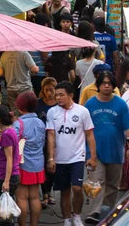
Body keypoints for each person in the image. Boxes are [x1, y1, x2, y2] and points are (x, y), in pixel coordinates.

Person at [83, 72, 129, 225]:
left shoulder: (120, 104)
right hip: (94, 152)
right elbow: (83, 128)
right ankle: (94, 213)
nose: (106, 85)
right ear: (98, 85)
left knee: (112, 185)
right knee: (97, 182)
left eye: (109, 83)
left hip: (116, 151)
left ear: (113, 86)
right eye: (103, 83)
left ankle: (107, 212)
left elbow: (128, 128)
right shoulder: (90, 104)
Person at [46, 81, 96, 226]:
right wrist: (50, 158)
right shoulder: (52, 112)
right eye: (56, 95)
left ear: (71, 95)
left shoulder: (82, 111)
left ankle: (77, 215)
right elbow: (51, 135)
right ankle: (67, 219)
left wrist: (93, 157)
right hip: (60, 158)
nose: (58, 98)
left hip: (77, 157)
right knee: (64, 191)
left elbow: (90, 135)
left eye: (61, 95)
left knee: (77, 188)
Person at [13, 93, 45, 226]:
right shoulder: (41, 123)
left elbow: (13, 145)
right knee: (35, 197)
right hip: (38, 163)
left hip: (23, 164)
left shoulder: (19, 124)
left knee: (21, 197)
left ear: (20, 107)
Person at [0, 105, 20, 226]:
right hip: (7, 175)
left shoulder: (7, 134)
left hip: (7, 176)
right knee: (5, 211)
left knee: (5, 213)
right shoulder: (9, 132)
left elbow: (10, 159)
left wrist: (6, 181)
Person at [37, 78, 57, 208]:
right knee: (43, 166)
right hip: (41, 139)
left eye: (51, 90)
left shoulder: (59, 104)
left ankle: (49, 192)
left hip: (57, 140)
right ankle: (44, 193)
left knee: (53, 168)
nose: (49, 93)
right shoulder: (38, 104)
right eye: (46, 90)